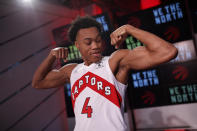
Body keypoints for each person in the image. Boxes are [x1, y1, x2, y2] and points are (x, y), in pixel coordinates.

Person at [32, 16, 178, 131]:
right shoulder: (72, 71)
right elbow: (38, 83)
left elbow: (168, 52)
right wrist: (51, 55)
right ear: (77, 45)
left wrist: (130, 29)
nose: (95, 46)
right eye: (88, 42)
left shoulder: (115, 61)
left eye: (98, 40)